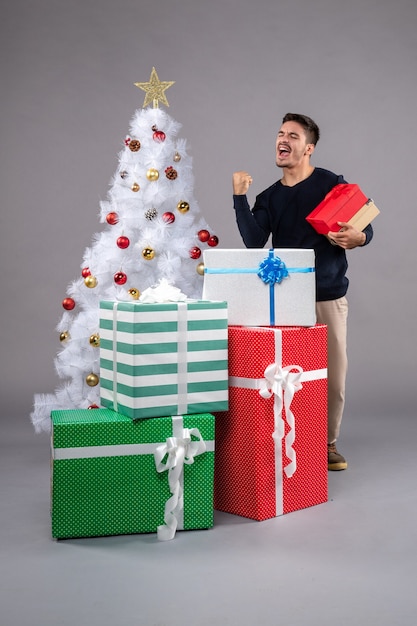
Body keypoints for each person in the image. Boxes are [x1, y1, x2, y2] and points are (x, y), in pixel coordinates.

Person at [232, 112, 374, 471]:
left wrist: (358, 238)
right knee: (282, 374)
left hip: (327, 294)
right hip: (282, 297)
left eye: (293, 136)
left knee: (333, 377)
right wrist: (239, 198)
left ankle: (327, 444)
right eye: (280, 134)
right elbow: (253, 242)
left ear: (308, 148)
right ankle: (284, 439)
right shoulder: (268, 196)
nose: (283, 140)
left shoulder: (330, 183)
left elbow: (364, 227)